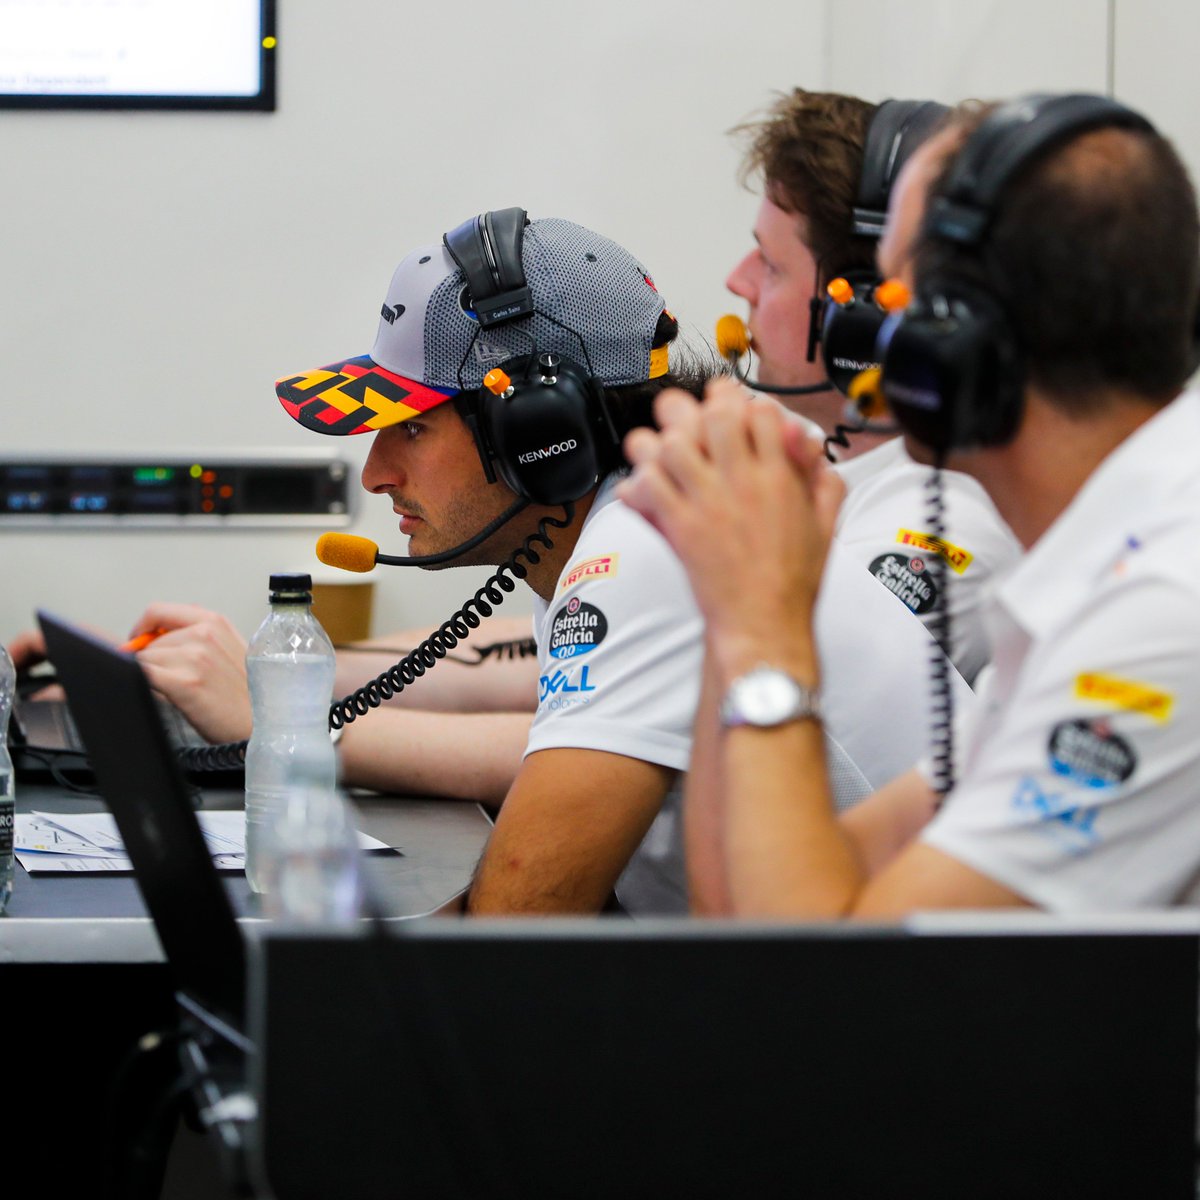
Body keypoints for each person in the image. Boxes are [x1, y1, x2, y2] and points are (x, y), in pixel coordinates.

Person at [9, 207, 970, 916]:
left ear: (538, 434)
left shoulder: (645, 553)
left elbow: (518, 922)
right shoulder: (630, 523)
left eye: (411, 429)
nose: (376, 472)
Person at [619, 92, 1200, 916]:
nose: (871, 338)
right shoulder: (1092, 578)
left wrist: (763, 629)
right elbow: (745, 917)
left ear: (966, 342)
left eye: (892, 299)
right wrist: (731, 600)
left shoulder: (1161, 619)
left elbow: (827, 972)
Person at [725, 88, 1022, 684]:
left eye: (772, 265)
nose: (738, 281)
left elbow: (764, 693)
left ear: (864, 316)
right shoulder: (814, 459)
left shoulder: (943, 518)